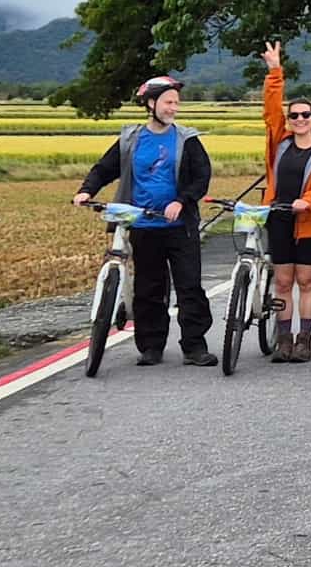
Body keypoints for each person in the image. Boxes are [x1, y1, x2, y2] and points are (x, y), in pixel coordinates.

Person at [72, 75, 216, 367]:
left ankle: (194, 346)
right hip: (143, 226)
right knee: (148, 288)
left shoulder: (187, 139)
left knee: (190, 287)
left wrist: (182, 201)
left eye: (176, 103)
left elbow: (202, 177)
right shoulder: (131, 139)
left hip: (179, 227)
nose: (173, 108)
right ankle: (151, 346)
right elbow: (105, 168)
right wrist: (86, 190)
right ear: (151, 104)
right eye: (168, 102)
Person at [259, 41, 311, 363]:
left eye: (306, 114)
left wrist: (308, 200)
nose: (300, 119)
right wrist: (274, 72)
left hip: (309, 222)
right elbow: (270, 108)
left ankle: (304, 338)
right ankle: (283, 338)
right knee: (282, 280)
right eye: (294, 115)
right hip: (278, 216)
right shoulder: (280, 142)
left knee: (306, 279)